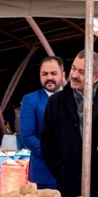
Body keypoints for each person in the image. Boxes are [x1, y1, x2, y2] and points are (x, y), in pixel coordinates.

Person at [41, 50, 98, 197]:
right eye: (73, 68)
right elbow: (47, 140)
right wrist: (59, 168)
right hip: (68, 181)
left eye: (82, 72)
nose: (74, 75)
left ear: (96, 77)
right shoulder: (56, 101)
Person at [20, 56, 66, 189]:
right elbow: (27, 137)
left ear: (63, 75)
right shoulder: (31, 100)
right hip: (45, 172)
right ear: (40, 75)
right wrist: (53, 156)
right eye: (45, 74)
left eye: (54, 73)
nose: (49, 77)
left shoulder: (75, 98)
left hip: (73, 171)